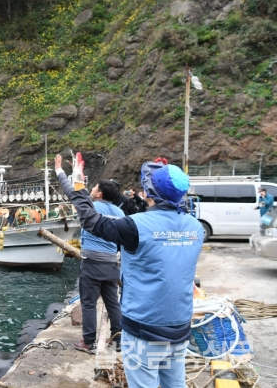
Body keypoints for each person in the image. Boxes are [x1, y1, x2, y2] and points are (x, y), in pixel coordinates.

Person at [55, 153, 203, 388]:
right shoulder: (196, 228)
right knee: (174, 384)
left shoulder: (136, 226)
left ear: (149, 193)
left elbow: (91, 221)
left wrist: (79, 185)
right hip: (179, 328)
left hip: (145, 331)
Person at [73, 179, 124, 354]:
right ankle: (118, 339)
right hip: (111, 263)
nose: (92, 189)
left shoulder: (92, 208)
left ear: (99, 194)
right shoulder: (120, 212)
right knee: (112, 303)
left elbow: (76, 193)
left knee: (89, 303)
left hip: (92, 263)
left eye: (94, 187)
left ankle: (88, 341)